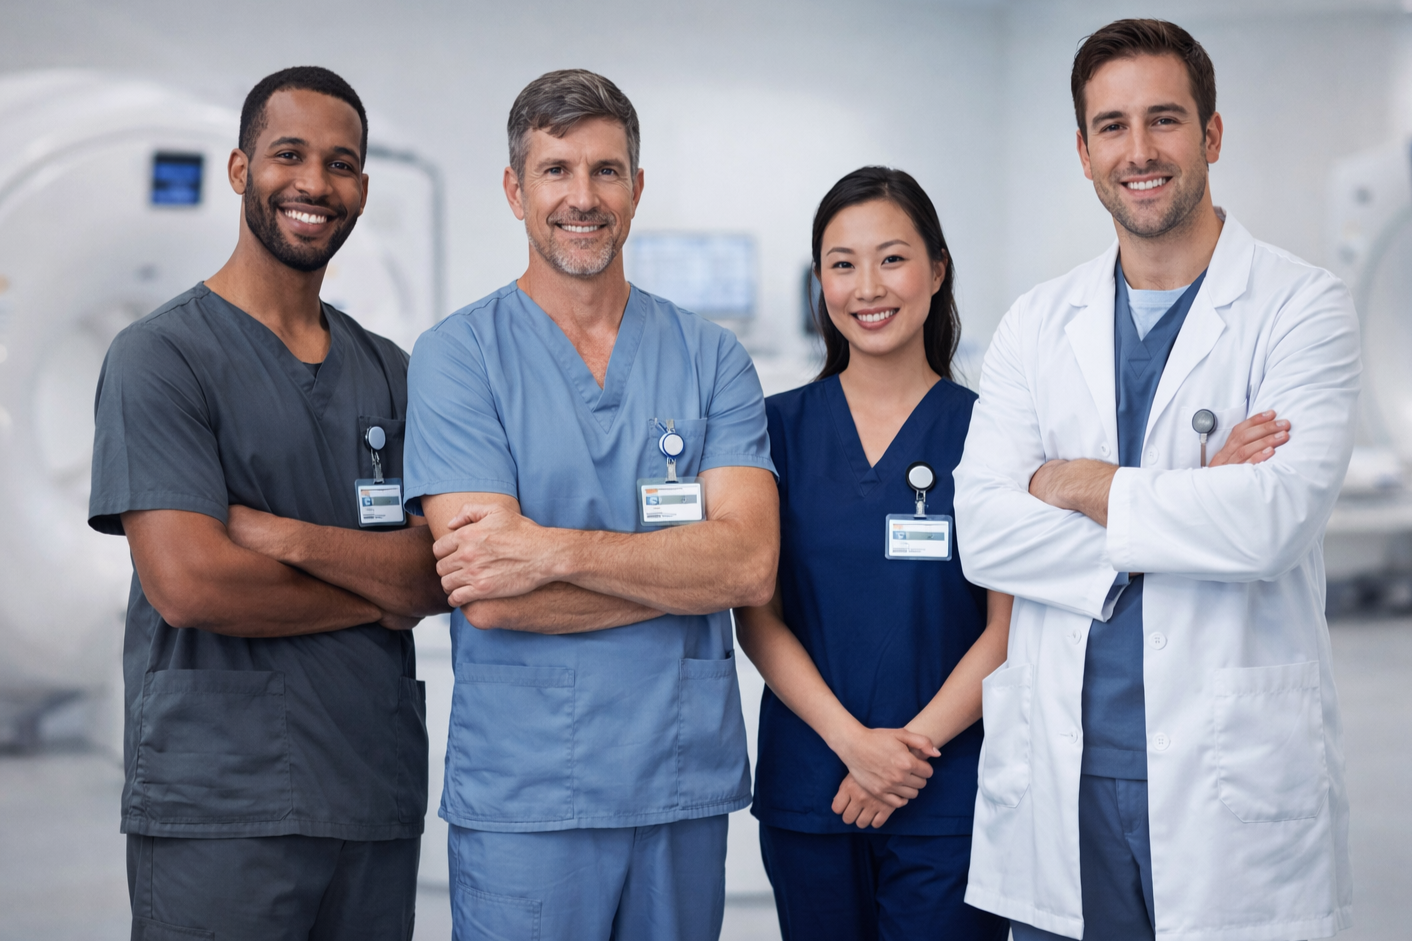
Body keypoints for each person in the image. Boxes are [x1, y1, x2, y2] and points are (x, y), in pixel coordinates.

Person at [955, 18, 1358, 941]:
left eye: (1165, 120)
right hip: (1067, 778)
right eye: (1111, 127)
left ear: (1211, 136)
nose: (1139, 151)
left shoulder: (1301, 309)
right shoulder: (1036, 321)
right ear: (1086, 154)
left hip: (1231, 786)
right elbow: (983, 530)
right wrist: (1190, 494)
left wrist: (1082, 482)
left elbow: (1272, 521)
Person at [402, 69, 778, 941]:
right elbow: (489, 590)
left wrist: (551, 551)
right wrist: (676, 569)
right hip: (528, 793)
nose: (583, 197)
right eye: (557, 170)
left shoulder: (710, 357)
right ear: (515, 189)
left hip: (679, 780)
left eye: (607, 171)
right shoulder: (459, 357)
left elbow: (749, 564)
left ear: (638, 189)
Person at [88, 67, 448, 941]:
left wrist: (280, 534)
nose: (315, 184)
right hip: (223, 803)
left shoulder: (394, 373)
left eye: (342, 163)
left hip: (370, 794)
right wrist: (375, 593)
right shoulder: (161, 357)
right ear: (242, 170)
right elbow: (193, 584)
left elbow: (435, 575)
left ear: (362, 186)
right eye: (290, 155)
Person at [734, 166, 1011, 941]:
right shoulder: (774, 429)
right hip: (814, 784)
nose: (867, 286)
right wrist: (855, 746)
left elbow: (1008, 627)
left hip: (950, 791)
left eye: (891, 257)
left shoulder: (992, 431)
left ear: (937, 269)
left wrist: (906, 756)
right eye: (841, 263)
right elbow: (756, 614)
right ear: (819, 281)